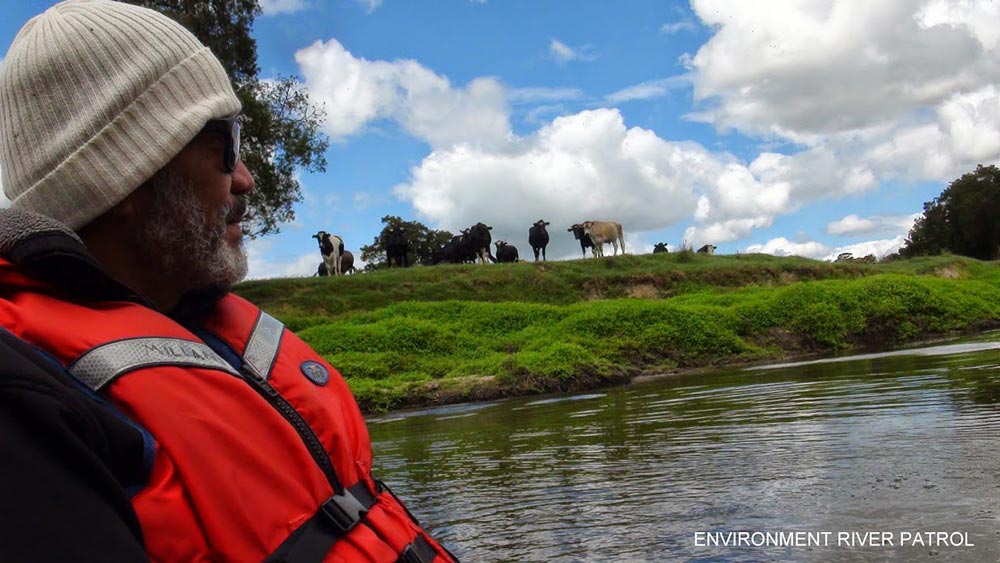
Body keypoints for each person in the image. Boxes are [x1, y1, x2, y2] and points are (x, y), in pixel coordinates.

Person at [0, 1, 456, 561]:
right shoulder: (25, 415)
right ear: (124, 177)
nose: (246, 178)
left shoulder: (198, 319)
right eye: (225, 145)